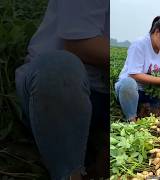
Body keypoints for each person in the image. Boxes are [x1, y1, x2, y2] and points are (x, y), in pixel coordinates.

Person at [14, 0, 109, 179]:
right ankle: (69, 172)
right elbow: (80, 44)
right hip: (59, 90)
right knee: (59, 68)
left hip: (104, 94)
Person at [115, 16, 160, 122]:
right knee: (128, 84)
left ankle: (145, 111)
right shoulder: (139, 44)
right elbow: (133, 74)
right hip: (130, 90)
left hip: (148, 92)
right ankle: (131, 119)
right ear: (157, 32)